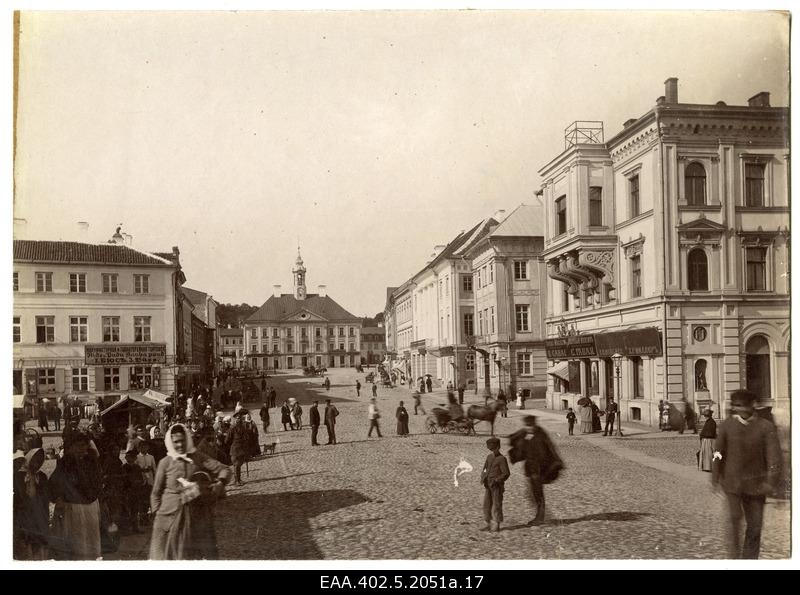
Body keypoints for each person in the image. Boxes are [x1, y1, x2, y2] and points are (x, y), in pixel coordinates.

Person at [712, 389, 781, 559]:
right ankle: (734, 559)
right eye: (736, 406)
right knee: (734, 522)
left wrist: (771, 481)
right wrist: (715, 474)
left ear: (752, 406)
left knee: (755, 527)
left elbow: (774, 456)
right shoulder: (727, 426)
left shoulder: (765, 427)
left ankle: (749, 560)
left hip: (757, 485)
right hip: (732, 484)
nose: (739, 410)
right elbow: (718, 452)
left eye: (742, 406)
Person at [149, 423, 230, 560]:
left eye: (182, 440)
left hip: (195, 516)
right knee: (165, 557)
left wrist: (220, 483)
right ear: (170, 442)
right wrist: (157, 514)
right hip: (169, 517)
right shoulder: (165, 463)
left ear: (187, 440)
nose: (180, 445)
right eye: (176, 442)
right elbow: (156, 493)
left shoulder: (198, 457)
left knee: (198, 555)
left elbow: (225, 469)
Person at [48, 431, 103, 560]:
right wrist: (59, 498)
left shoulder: (91, 461)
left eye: (84, 445)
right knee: (75, 544)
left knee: (90, 543)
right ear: (70, 447)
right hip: (73, 509)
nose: (82, 449)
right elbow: (55, 485)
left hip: (90, 507)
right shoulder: (64, 463)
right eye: (78, 446)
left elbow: (97, 483)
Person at [509, 415, 564, 526]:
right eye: (527, 426)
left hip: (541, 468)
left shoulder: (541, 434)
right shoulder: (526, 434)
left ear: (534, 424)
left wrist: (554, 463)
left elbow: (550, 449)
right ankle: (541, 515)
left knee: (537, 492)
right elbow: (518, 443)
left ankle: (540, 517)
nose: (528, 428)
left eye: (530, 426)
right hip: (531, 467)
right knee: (532, 493)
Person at [13, 448, 50, 560]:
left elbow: (45, 497)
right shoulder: (19, 476)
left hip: (39, 514)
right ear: (28, 459)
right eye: (34, 460)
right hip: (24, 514)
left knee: (39, 541)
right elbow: (19, 498)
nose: (37, 464)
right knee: (26, 541)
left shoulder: (42, 476)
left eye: (40, 461)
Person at [480, 437, 510, 532]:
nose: (493, 451)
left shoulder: (502, 459)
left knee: (496, 504)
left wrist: (497, 480)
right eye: (491, 449)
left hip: (497, 486)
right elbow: (485, 468)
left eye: (495, 448)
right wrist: (483, 477)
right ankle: (487, 523)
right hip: (488, 484)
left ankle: (496, 524)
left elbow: (506, 473)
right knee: (486, 504)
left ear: (498, 447)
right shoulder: (489, 457)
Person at [227, 414, 250, 486]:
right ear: (235, 420)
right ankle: (236, 481)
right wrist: (233, 444)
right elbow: (227, 440)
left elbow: (246, 438)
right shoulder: (232, 429)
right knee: (236, 465)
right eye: (237, 419)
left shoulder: (243, 428)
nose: (238, 420)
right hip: (235, 450)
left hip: (242, 450)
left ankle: (239, 479)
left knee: (239, 465)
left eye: (240, 419)